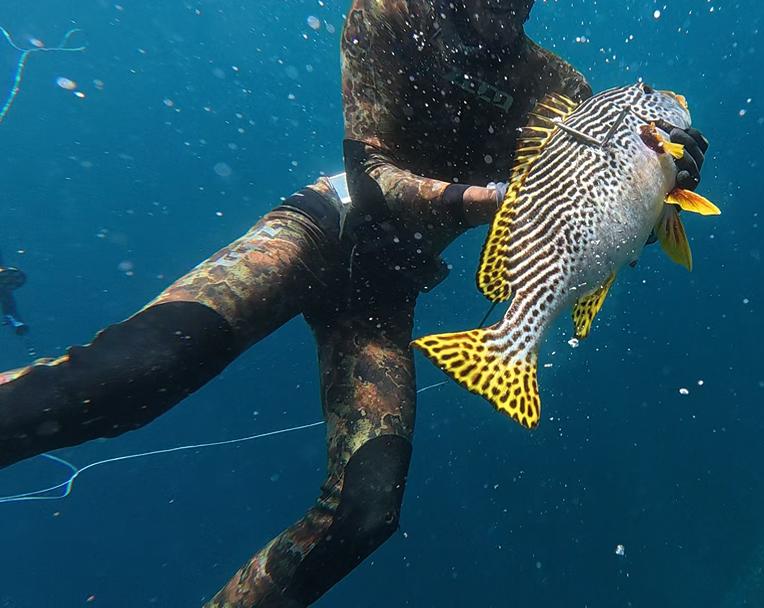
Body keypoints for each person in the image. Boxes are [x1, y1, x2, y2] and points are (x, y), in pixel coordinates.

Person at [0, 1, 708, 605]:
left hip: (388, 286)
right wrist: (476, 198)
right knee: (134, 373)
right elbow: (367, 170)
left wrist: (662, 185)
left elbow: (589, 233)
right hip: (319, 227)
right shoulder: (390, 14)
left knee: (366, 513)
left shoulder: (558, 85)